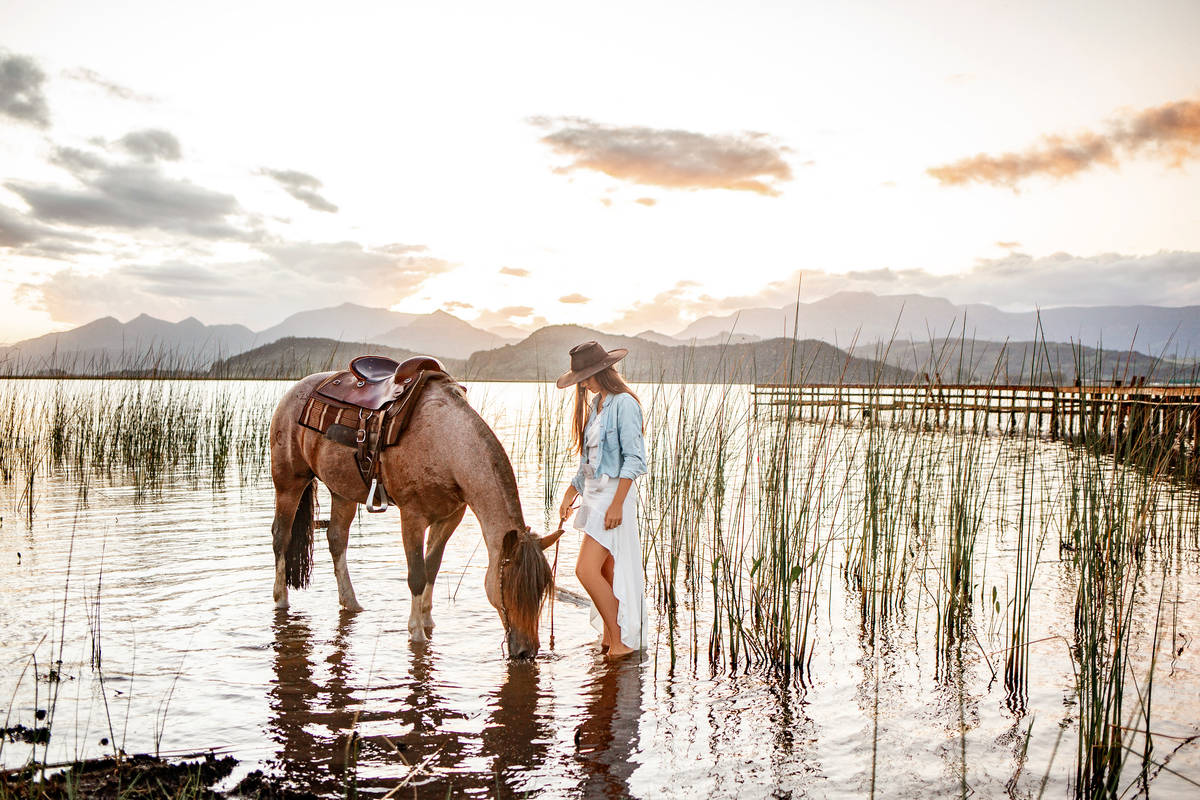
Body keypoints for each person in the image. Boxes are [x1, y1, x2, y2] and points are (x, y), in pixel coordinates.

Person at [557, 341, 648, 659]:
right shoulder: (597, 406)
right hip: (594, 495)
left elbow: (635, 460)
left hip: (612, 497)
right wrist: (571, 493)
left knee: (585, 570)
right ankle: (612, 640)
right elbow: (588, 462)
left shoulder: (625, 404)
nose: (583, 383)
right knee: (606, 572)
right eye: (580, 377)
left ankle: (621, 641)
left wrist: (617, 505)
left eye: (587, 375)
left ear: (602, 371)